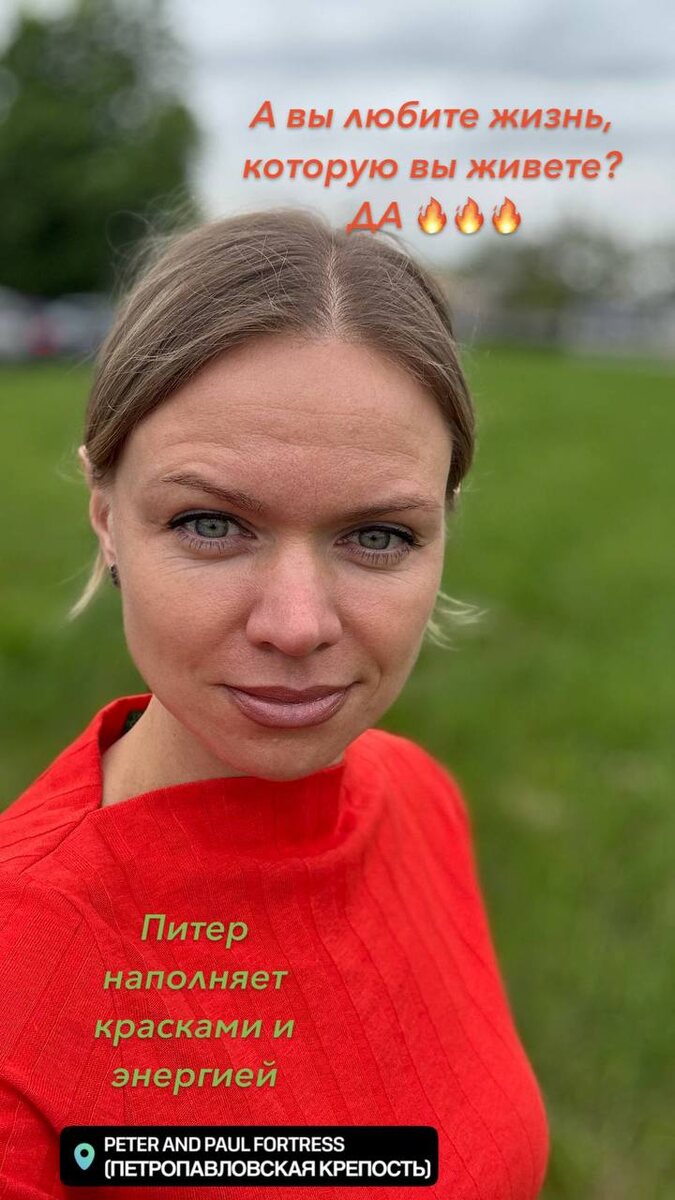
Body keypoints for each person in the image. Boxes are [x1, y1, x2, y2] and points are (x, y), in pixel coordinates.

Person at [0, 208, 549, 1198]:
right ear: (105, 515)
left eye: (377, 536)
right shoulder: (21, 984)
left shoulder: (418, 797)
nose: (297, 626)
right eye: (211, 523)